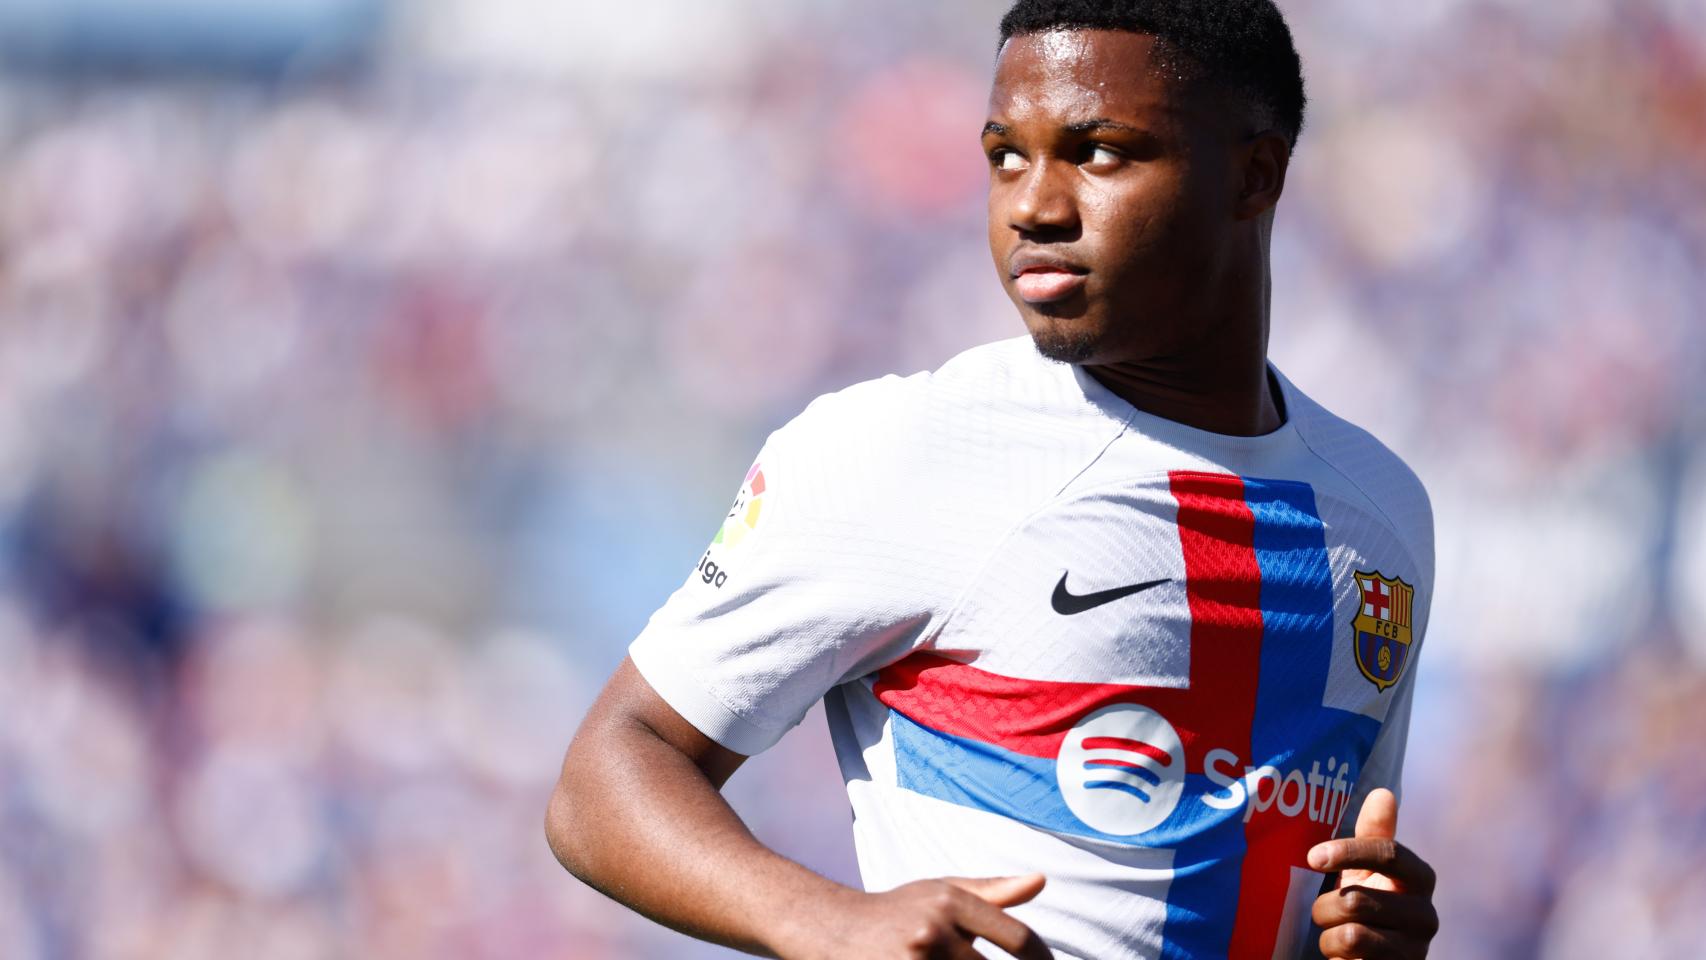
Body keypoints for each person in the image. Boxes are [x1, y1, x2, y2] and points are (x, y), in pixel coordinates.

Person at [546, 1, 1441, 957]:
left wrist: (1366, 927)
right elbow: (608, 774)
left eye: (1099, 152)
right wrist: (829, 921)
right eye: (1006, 156)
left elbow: (1320, 872)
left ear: (1255, 175)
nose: (1033, 206)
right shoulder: (901, 451)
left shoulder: (1380, 511)